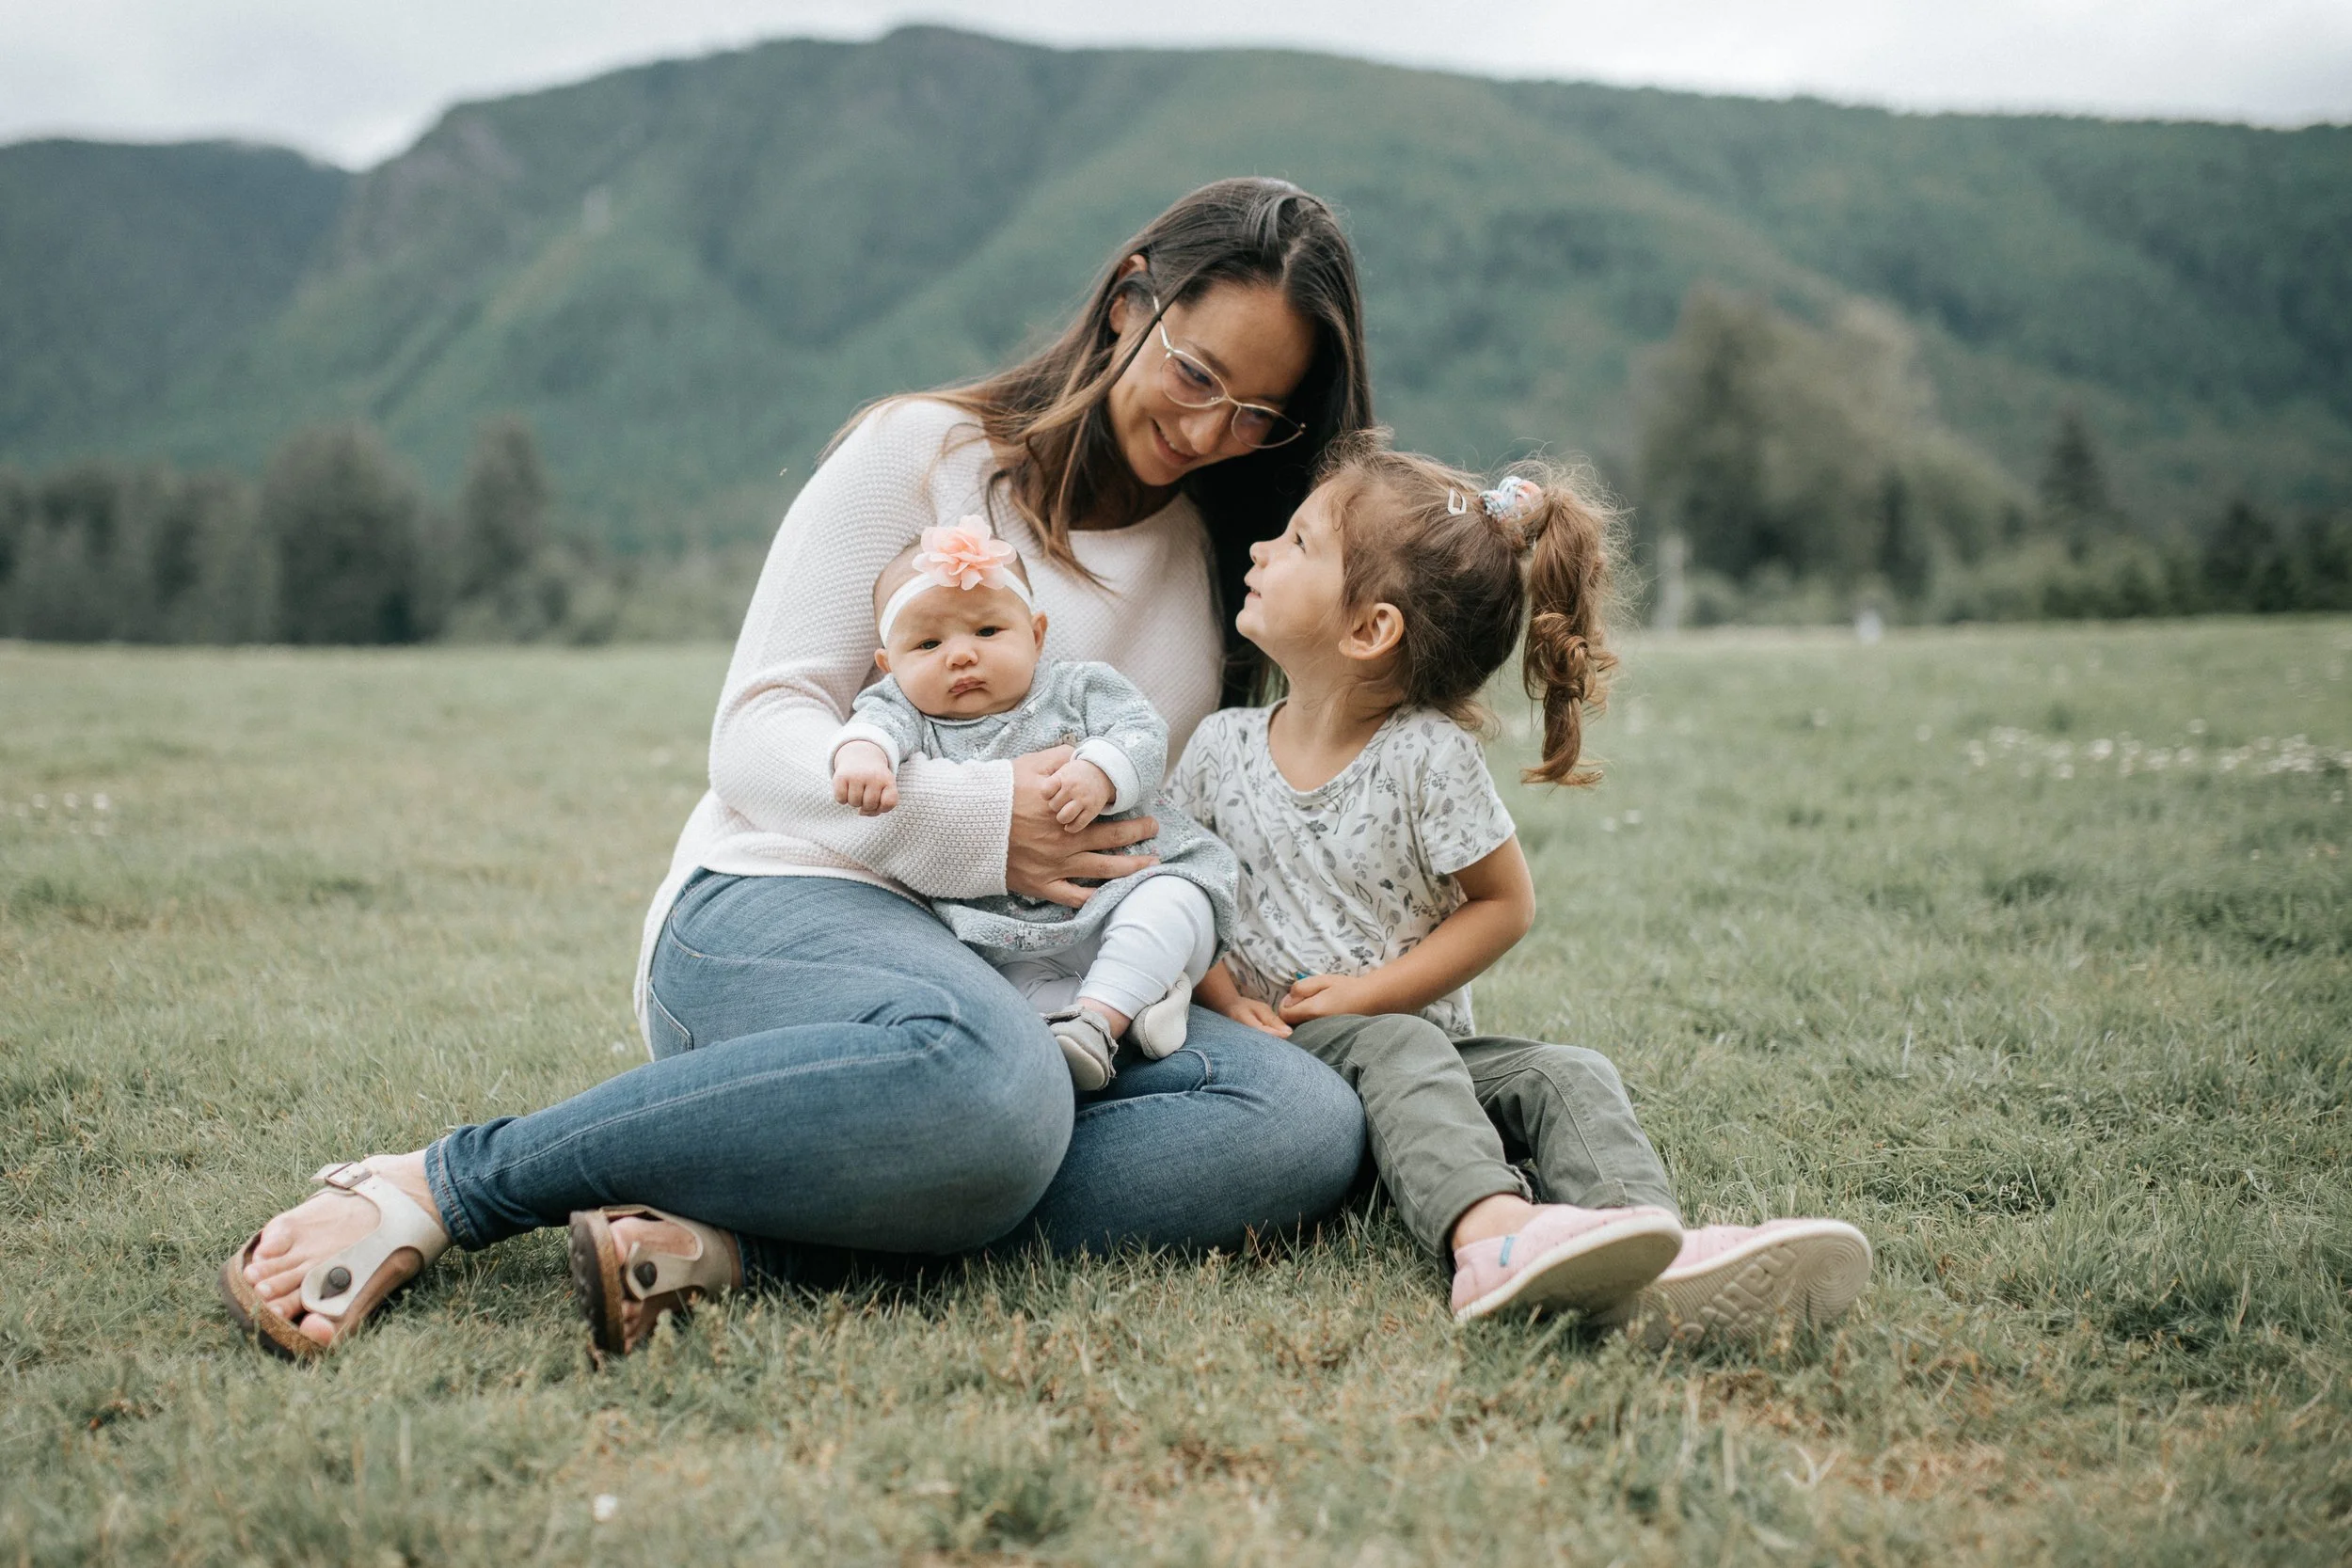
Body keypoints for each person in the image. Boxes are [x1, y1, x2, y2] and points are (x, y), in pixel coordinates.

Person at [219, 177, 1375, 1361]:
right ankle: (444, 1181)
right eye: (1197, 374)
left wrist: (1194, 937)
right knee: (996, 1086)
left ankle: (727, 1250)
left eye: (1255, 416)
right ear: (1131, 302)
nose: (1205, 430)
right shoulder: (923, 454)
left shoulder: (1208, 568)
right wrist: (981, 823)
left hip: (1040, 978)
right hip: (785, 907)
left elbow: (1149, 808)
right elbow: (760, 731)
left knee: (1298, 1121)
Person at [1168, 439, 1873, 1338]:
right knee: (1398, 1050)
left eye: (1298, 543)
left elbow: (1505, 904)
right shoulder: (1221, 748)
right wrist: (1223, 995)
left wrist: (1372, 993)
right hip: (1284, 1054)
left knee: (1565, 1070)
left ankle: (1639, 1244)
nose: (1262, 551)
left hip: (1411, 1045)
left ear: (1370, 629)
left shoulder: (1428, 756)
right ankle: (1492, 1239)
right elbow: (1179, 886)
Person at [830, 521, 1235, 1088]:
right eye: (928, 644)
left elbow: (1142, 731)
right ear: (889, 664)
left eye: (988, 630)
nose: (961, 655)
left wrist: (1101, 771)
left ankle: (1100, 1018)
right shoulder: (905, 713)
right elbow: (871, 727)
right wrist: (864, 759)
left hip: (1126, 889)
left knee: (1174, 900)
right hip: (1010, 932)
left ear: (1037, 635)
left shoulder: (1078, 688)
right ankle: (1122, 1015)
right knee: (1012, 986)